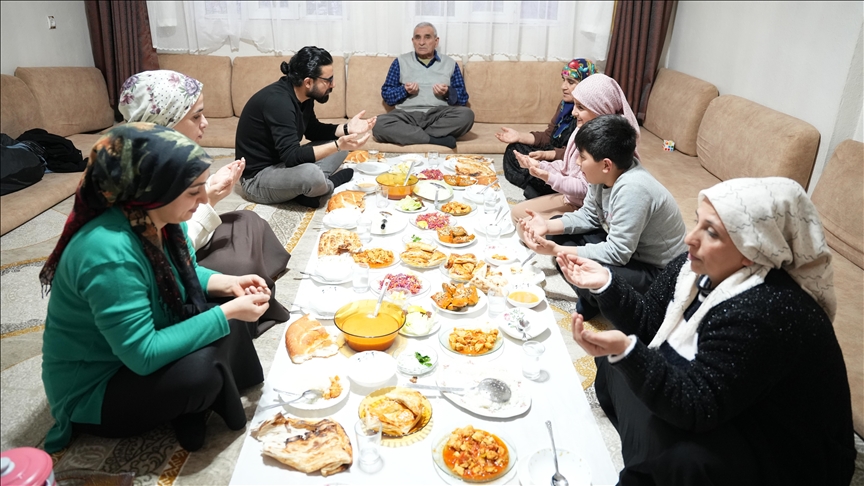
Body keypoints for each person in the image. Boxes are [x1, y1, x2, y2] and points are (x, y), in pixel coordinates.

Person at [559, 177, 856, 486]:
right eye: (697, 222)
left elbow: (696, 406)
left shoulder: (765, 308)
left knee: (681, 462)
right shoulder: (690, 268)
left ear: (752, 249)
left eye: (711, 232)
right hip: (726, 399)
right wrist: (605, 283)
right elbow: (650, 325)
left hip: (784, 447)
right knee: (615, 368)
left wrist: (629, 353)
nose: (691, 238)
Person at [39, 123, 271, 453]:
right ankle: (190, 406)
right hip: (98, 388)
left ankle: (189, 408)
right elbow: (143, 355)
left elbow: (183, 275)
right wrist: (228, 310)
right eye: (194, 191)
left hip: (130, 358)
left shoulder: (154, 219)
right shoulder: (108, 252)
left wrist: (230, 284)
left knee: (228, 318)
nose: (205, 199)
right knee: (203, 367)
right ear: (154, 190)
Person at [119, 70, 291, 337]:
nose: (206, 123)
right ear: (165, 122)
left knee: (248, 220)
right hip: (166, 276)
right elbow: (173, 252)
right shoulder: (139, 180)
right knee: (241, 265)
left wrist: (209, 194)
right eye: (196, 116)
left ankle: (250, 284)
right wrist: (210, 198)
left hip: (180, 258)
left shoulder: (172, 160)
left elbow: (178, 243)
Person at [520, 115, 685, 320]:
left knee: (597, 274)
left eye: (582, 157)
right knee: (559, 229)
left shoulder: (633, 189)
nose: (578, 163)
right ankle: (594, 295)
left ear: (606, 164)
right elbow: (588, 216)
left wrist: (557, 251)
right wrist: (546, 226)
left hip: (658, 272)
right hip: (629, 251)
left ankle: (595, 297)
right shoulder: (603, 175)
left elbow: (618, 253)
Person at [235, 46, 375, 208]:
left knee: (338, 147)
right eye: (328, 80)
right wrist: (337, 145)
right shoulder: (279, 102)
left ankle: (304, 191)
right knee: (313, 174)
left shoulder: (303, 95)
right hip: (258, 179)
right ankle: (327, 185)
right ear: (308, 82)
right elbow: (292, 156)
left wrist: (346, 129)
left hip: (283, 165)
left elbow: (313, 130)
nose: (333, 84)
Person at [510, 73, 641, 229]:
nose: (573, 113)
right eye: (575, 105)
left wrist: (548, 176)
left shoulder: (606, 143)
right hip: (572, 198)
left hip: (587, 209)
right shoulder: (581, 130)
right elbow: (567, 166)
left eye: (580, 107)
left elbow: (584, 188)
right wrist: (539, 165)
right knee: (517, 214)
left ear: (601, 108)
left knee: (526, 226)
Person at [499, 58, 596, 200]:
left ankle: (544, 189)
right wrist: (518, 136)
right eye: (563, 80)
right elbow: (547, 136)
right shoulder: (565, 106)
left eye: (570, 82)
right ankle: (539, 188)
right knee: (513, 150)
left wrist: (547, 155)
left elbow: (579, 155)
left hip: (572, 163)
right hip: (554, 154)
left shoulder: (592, 111)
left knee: (545, 170)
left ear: (585, 85)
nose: (563, 86)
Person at [371, 22, 474, 149]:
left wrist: (447, 92)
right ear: (413, 41)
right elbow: (387, 96)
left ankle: (411, 135)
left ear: (436, 41)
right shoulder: (400, 61)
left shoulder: (450, 63)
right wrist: (404, 90)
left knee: (467, 115)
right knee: (378, 124)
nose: (422, 42)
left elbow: (463, 98)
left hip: (438, 115)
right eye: (418, 37)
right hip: (406, 115)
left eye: (427, 37)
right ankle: (434, 139)